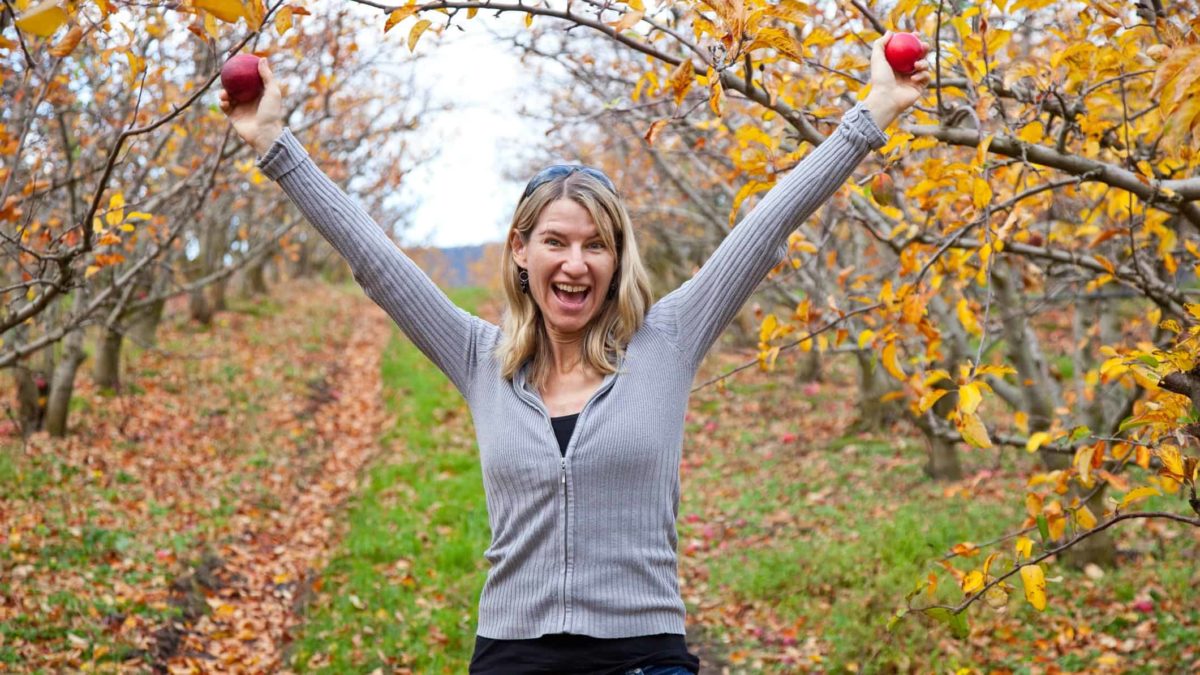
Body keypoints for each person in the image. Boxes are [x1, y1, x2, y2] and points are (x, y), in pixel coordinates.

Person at [220, 31, 929, 675]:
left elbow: (768, 222)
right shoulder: (479, 357)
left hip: (644, 654)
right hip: (511, 653)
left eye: (596, 244)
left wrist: (872, 114)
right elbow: (375, 261)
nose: (576, 262)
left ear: (617, 259)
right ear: (521, 252)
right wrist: (277, 148)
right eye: (556, 241)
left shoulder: (670, 339)